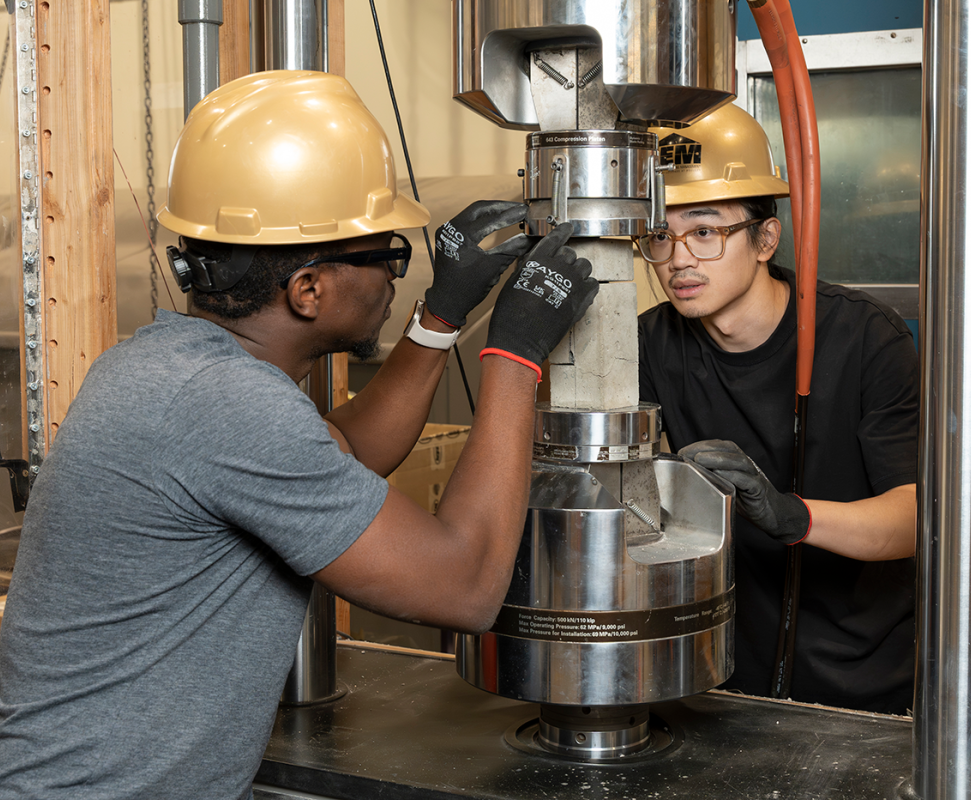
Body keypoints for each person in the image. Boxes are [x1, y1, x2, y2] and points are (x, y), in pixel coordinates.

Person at [0, 70, 596, 799]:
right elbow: (466, 588)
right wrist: (514, 356)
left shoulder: (163, 368)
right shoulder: (228, 406)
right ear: (308, 289)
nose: (394, 278)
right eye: (385, 256)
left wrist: (441, 314)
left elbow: (347, 453)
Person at [639, 103, 918, 714]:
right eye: (660, 235)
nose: (679, 259)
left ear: (766, 238)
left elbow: (917, 517)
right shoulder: (650, 345)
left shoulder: (864, 338)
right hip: (719, 678)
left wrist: (795, 516)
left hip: (863, 686)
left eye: (705, 232)